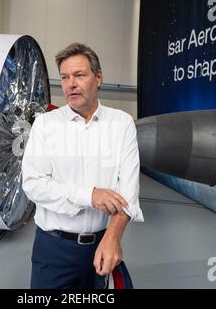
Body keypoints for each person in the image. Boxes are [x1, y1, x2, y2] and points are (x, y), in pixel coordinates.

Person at [21, 43, 144, 289]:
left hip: (103, 244)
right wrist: (89, 195)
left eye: (79, 75)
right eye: (65, 77)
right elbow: (33, 185)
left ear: (98, 78)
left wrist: (113, 236)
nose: (70, 84)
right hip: (54, 251)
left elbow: (128, 193)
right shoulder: (46, 125)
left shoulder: (122, 124)